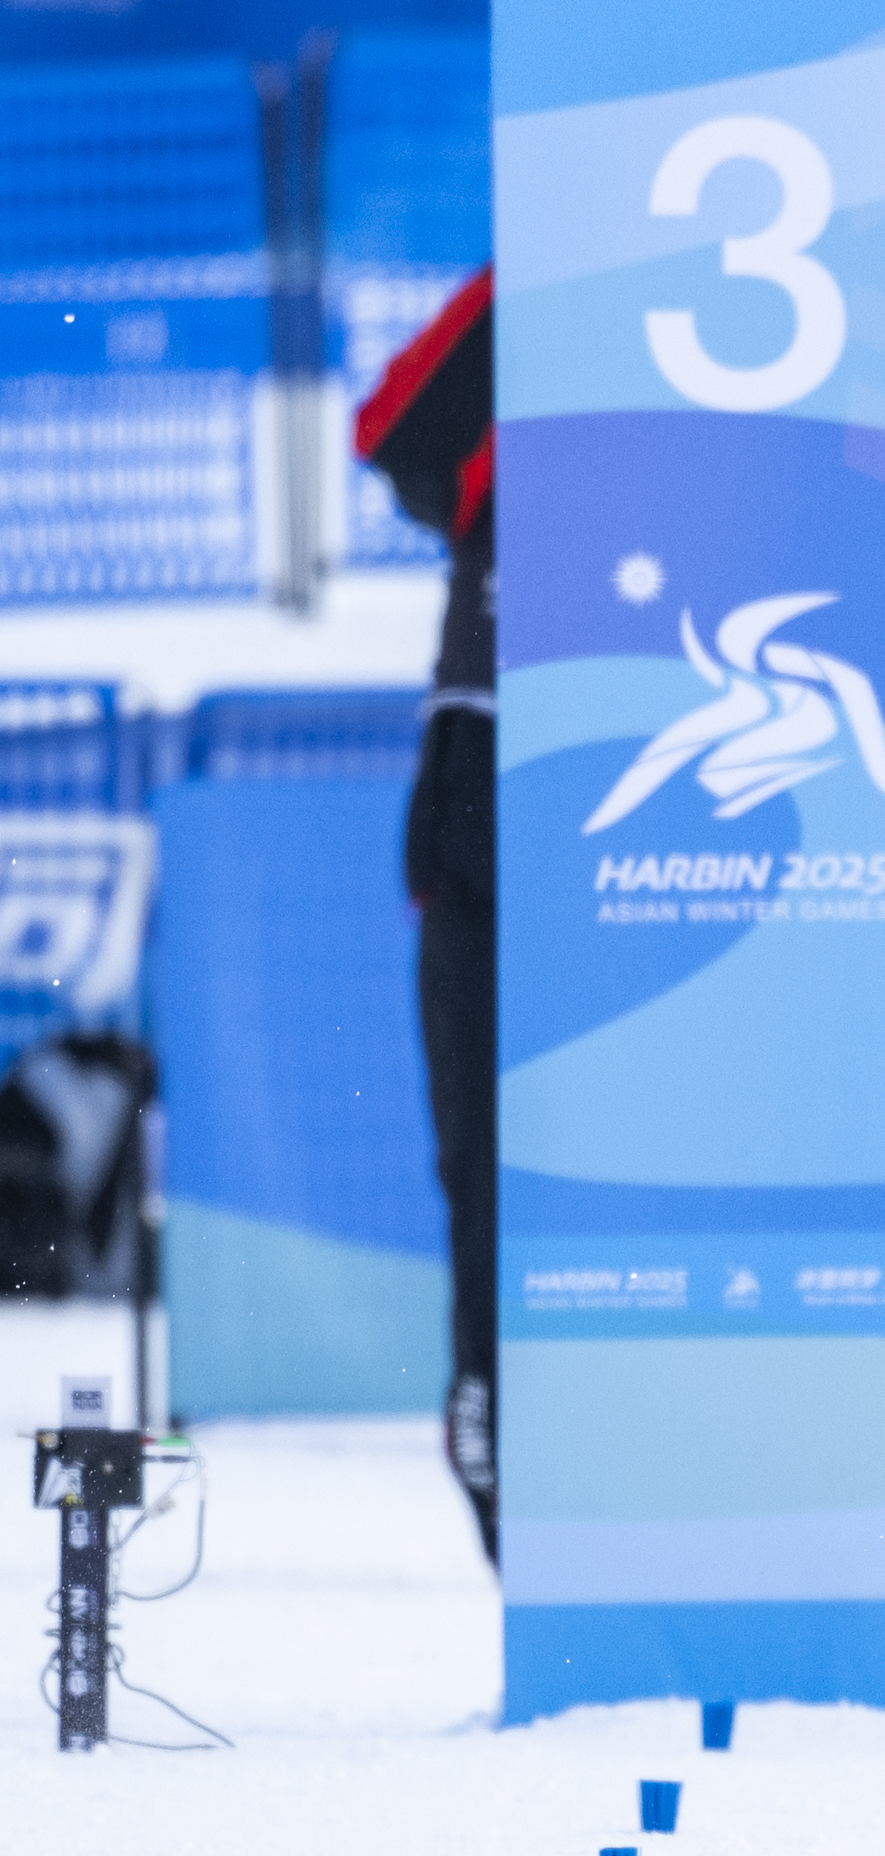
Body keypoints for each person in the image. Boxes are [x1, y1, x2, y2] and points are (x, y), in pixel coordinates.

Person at [352, 267, 500, 1563]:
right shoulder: (509, 396)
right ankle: (497, 1429)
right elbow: (391, 433)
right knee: (486, 1170)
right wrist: (549, 265)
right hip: (485, 816)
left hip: (666, 825)